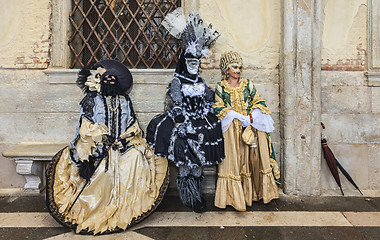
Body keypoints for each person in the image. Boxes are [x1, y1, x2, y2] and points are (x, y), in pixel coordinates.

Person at [46, 60, 169, 234]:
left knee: (136, 157)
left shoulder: (125, 100)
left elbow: (132, 124)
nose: (110, 81)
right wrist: (101, 136)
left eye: (114, 79)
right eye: (107, 78)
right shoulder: (91, 100)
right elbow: (85, 124)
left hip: (121, 147)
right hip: (97, 146)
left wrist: (124, 139)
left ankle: (128, 204)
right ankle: (95, 206)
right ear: (100, 80)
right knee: (102, 169)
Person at [146, 8, 224, 213]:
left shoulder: (200, 80)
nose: (193, 65)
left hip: (201, 120)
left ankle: (196, 195)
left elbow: (209, 97)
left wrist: (218, 100)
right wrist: (181, 122)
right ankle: (188, 196)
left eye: (196, 62)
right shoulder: (177, 82)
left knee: (199, 161)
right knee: (185, 161)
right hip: (184, 122)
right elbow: (177, 103)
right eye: (189, 61)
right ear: (184, 62)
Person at [213, 51, 280, 211]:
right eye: (234, 67)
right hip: (231, 132)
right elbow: (217, 107)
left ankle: (253, 195)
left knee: (252, 161)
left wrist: (252, 116)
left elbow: (259, 101)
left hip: (249, 128)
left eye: (239, 67)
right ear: (227, 69)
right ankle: (234, 198)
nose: (238, 70)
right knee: (234, 162)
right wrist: (234, 115)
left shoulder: (247, 84)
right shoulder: (221, 87)